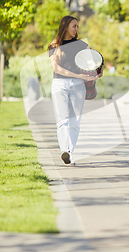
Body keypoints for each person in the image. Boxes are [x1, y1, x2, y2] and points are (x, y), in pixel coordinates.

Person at [48, 15, 101, 164]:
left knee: (75, 121)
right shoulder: (54, 46)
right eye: (74, 26)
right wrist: (76, 74)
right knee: (62, 120)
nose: (77, 29)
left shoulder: (82, 45)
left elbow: (95, 59)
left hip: (78, 85)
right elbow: (56, 68)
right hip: (59, 84)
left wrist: (99, 70)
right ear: (65, 27)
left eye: (77, 26)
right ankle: (64, 150)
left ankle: (70, 152)